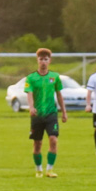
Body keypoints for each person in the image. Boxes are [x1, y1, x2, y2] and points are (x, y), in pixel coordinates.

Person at [25, 48, 67, 177]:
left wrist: (64, 112)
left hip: (51, 114)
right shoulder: (31, 78)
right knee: (37, 143)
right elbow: (29, 93)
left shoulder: (54, 77)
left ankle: (49, 169)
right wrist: (31, 107)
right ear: (37, 60)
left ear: (49, 60)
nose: (43, 62)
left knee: (53, 140)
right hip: (37, 115)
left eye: (46, 59)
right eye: (41, 59)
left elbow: (59, 95)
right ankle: (38, 169)